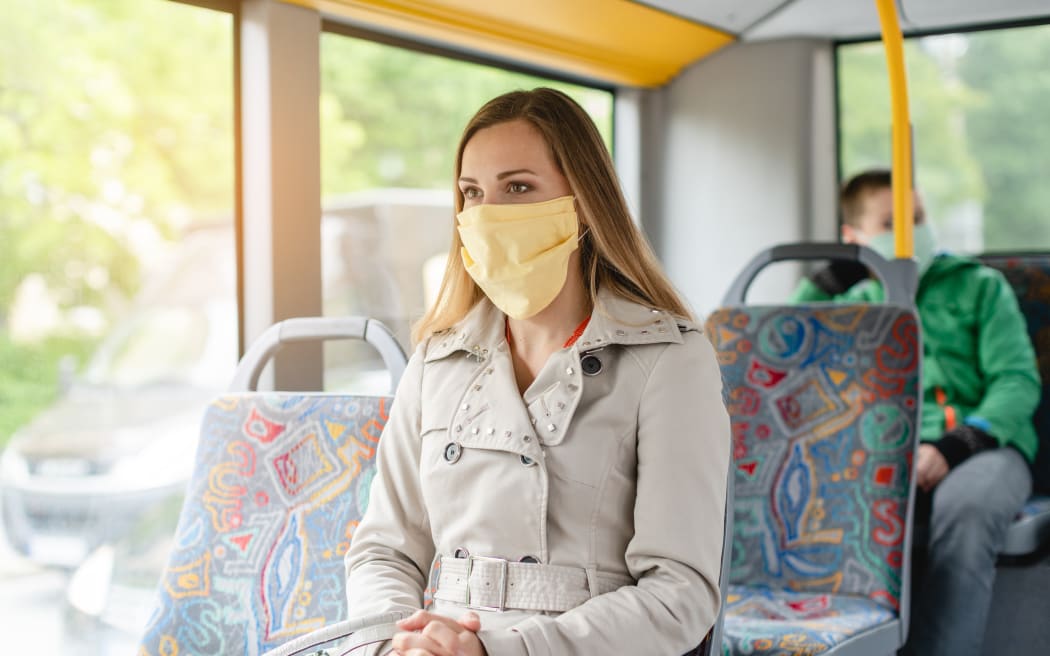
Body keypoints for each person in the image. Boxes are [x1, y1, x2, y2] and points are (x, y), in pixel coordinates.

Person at [343, 88, 731, 656]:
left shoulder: (669, 360)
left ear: (582, 200)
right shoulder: (435, 359)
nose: (487, 215)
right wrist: (396, 644)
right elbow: (384, 551)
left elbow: (679, 595)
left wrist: (498, 651)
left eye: (518, 188)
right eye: (472, 193)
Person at [791, 169, 1041, 656]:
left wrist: (955, 445)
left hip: (980, 446)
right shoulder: (857, 302)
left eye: (918, 218)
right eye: (892, 223)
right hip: (880, 447)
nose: (911, 233)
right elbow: (787, 352)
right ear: (856, 237)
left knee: (966, 511)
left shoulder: (980, 287)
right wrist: (831, 276)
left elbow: (1016, 380)